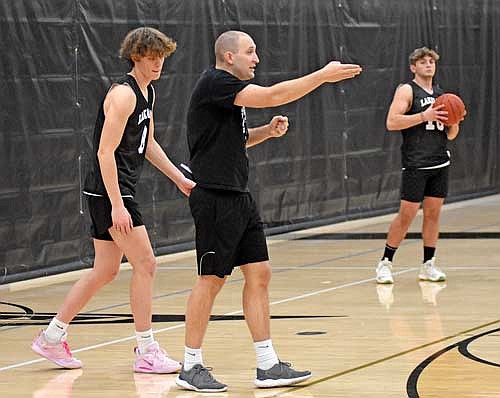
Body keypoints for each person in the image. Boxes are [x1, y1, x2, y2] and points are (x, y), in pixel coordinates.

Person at [175, 30, 362, 393]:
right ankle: (190, 365)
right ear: (229, 57)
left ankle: (267, 364)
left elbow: (234, 140)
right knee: (211, 280)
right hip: (214, 197)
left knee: (259, 274)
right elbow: (273, 96)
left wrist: (266, 132)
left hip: (239, 196)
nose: (256, 58)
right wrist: (322, 75)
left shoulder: (229, 95)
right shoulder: (216, 82)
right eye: (250, 52)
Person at [31, 27, 195, 373]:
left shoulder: (148, 93)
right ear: (136, 56)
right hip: (111, 190)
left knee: (104, 270)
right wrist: (118, 203)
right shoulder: (123, 95)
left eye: (162, 58)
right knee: (146, 264)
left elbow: (147, 143)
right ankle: (146, 350)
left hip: (113, 189)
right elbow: (104, 151)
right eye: (152, 58)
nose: (158, 64)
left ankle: (50, 336)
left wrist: (178, 178)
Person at [375, 47, 466, 284]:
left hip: (440, 161)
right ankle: (385, 263)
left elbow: (451, 134)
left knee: (433, 215)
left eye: (431, 61)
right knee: (406, 215)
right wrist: (423, 116)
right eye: (422, 62)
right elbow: (392, 122)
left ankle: (428, 265)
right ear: (413, 67)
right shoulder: (407, 90)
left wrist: (455, 122)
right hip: (416, 163)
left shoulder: (441, 95)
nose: (428, 65)